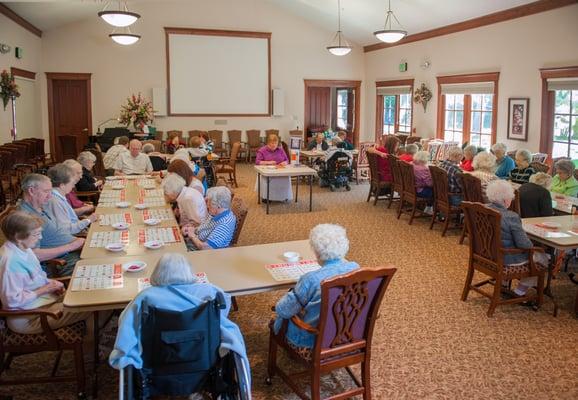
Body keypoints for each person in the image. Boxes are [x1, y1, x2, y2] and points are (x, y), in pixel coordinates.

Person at [109, 252, 250, 391]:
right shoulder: (209, 291)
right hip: (204, 364)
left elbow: (125, 323)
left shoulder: (145, 297)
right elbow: (224, 305)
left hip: (156, 369)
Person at [0, 211, 92, 334]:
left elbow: (36, 278)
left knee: (91, 295)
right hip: (29, 317)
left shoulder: (23, 248)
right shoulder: (10, 262)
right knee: (92, 306)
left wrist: (51, 283)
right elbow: (12, 301)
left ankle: (93, 340)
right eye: (36, 234)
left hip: (43, 302)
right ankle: (90, 346)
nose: (40, 238)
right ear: (18, 237)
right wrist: (45, 289)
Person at [273, 224, 359, 351]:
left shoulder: (311, 279)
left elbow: (283, 310)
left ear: (317, 252)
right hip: (349, 334)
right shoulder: (355, 268)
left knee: (283, 315)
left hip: (313, 341)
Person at [485, 180, 549, 296]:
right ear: (506, 200)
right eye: (511, 198)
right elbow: (525, 245)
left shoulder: (482, 209)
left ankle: (503, 285)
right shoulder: (511, 217)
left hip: (486, 254)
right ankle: (520, 291)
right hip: (506, 259)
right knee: (543, 257)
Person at [17, 174, 85, 277]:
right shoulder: (25, 217)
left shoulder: (40, 206)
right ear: (31, 191)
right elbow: (33, 254)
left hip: (75, 250)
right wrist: (70, 246)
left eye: (50, 191)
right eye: (46, 191)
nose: (50, 196)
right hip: (63, 261)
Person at [45, 164, 98, 235]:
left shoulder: (59, 196)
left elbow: (70, 217)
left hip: (78, 229)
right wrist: (88, 220)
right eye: (72, 183)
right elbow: (68, 230)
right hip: (75, 235)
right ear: (62, 185)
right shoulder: (55, 201)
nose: (73, 186)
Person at [183, 187, 236, 251]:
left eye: (209, 204)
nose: (207, 206)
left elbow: (206, 248)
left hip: (200, 252)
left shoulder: (224, 224)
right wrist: (192, 229)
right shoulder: (216, 213)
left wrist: (192, 236)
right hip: (194, 241)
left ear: (218, 206)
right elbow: (204, 227)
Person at [255, 134, 292, 202]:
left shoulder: (280, 150)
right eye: (272, 143)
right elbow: (257, 162)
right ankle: (266, 196)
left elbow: (287, 160)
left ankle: (282, 195)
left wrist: (284, 163)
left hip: (279, 170)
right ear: (268, 143)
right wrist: (268, 162)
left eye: (275, 143)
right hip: (268, 171)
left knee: (285, 177)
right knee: (269, 179)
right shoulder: (262, 150)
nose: (274, 145)